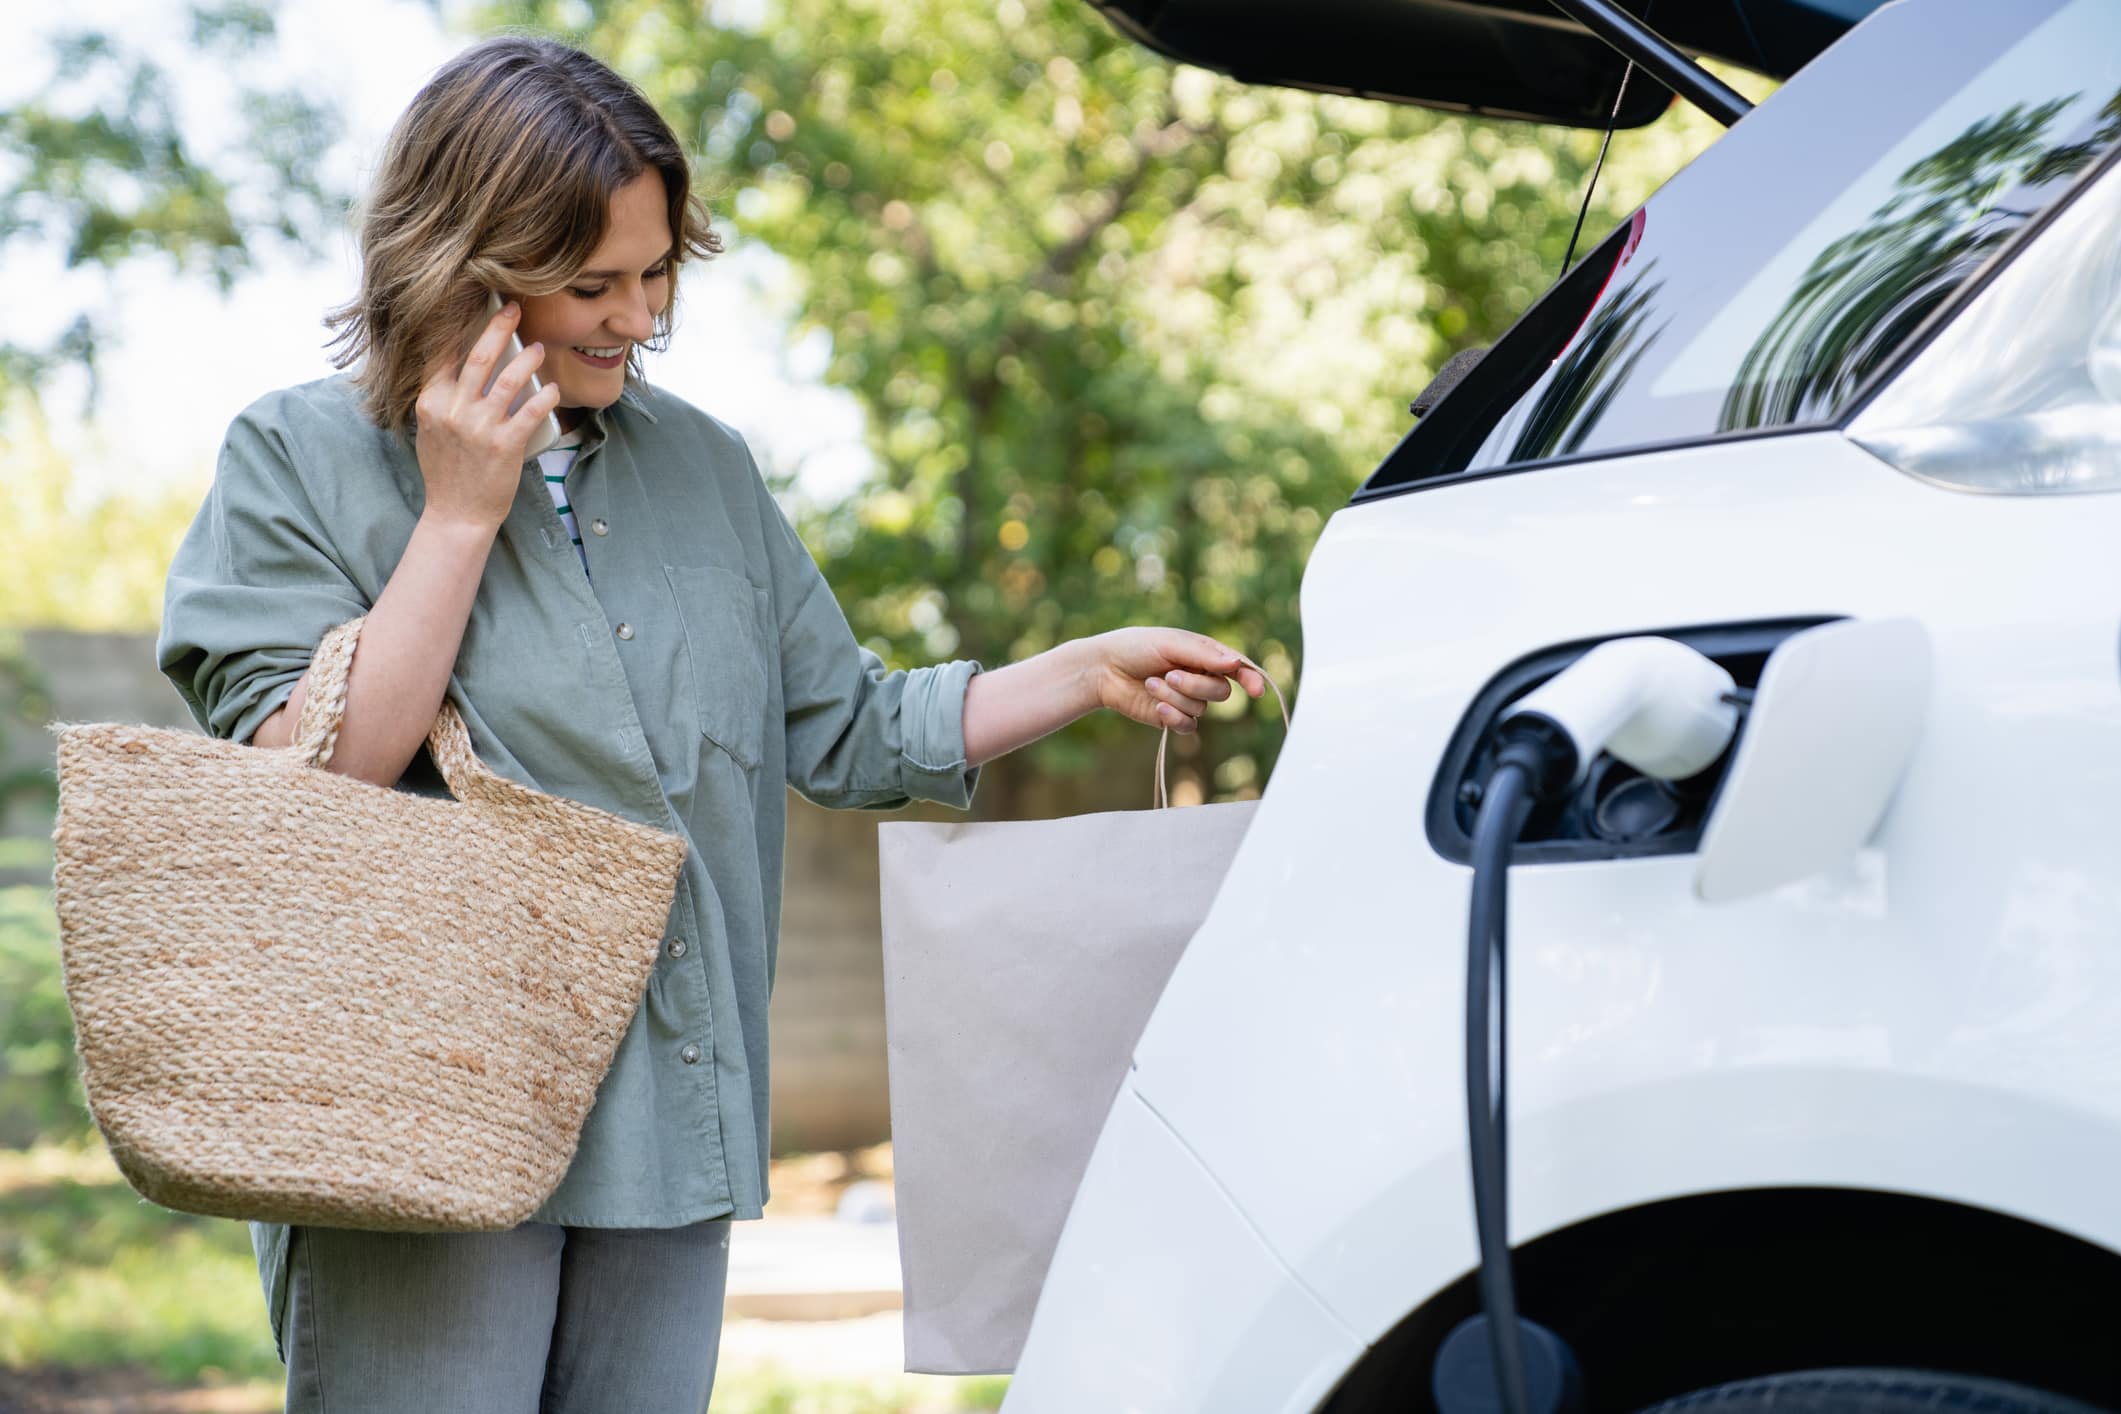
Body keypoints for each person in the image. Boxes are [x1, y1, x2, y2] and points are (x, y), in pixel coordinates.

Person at [154, 31, 1265, 1414]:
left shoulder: (708, 467)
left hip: (668, 1124)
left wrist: (1079, 669)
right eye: (591, 284)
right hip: (427, 1124)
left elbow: (847, 724)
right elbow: (310, 783)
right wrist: (458, 512)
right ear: (462, 265)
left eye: (658, 271)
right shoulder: (294, 456)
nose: (638, 316)